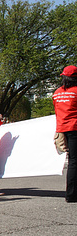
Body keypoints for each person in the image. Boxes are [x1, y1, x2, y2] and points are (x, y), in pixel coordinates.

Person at [54, 65, 77, 203]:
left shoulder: (56, 93)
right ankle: (72, 194)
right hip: (75, 127)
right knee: (74, 161)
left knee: (72, 160)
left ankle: (71, 193)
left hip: (62, 128)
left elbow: (57, 112)